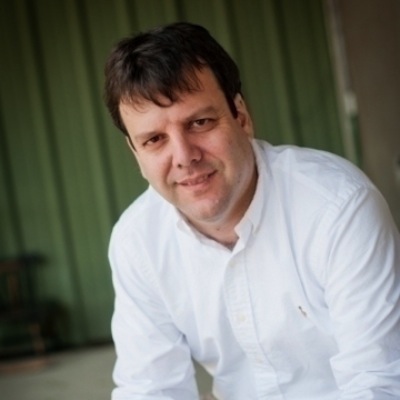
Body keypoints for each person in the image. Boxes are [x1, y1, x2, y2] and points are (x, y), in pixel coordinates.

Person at [104, 22, 400, 400]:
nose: (184, 157)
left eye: (199, 122)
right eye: (154, 140)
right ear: (135, 153)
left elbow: (380, 383)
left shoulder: (338, 208)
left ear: (241, 117)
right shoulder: (137, 241)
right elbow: (151, 389)